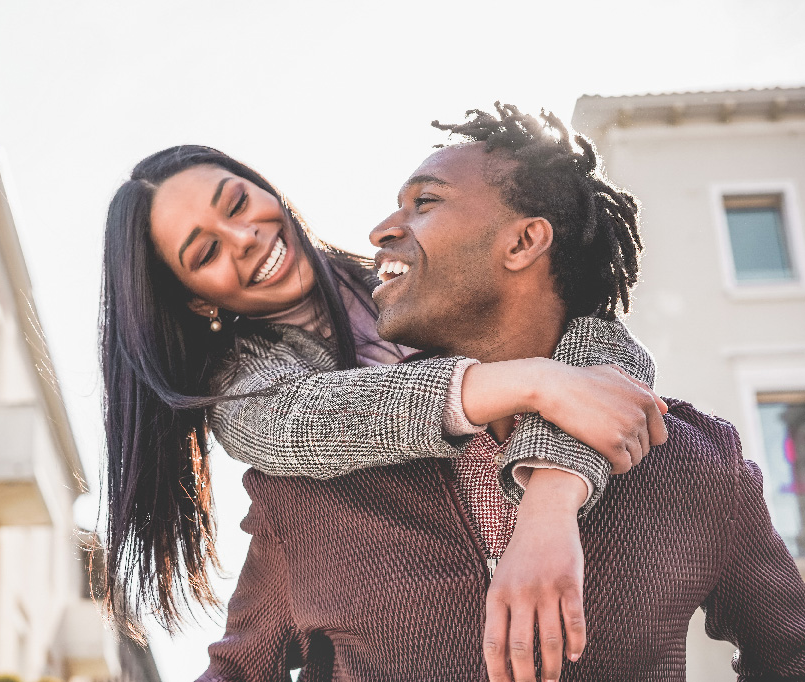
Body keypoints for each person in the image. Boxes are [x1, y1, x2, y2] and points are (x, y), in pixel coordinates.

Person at [196, 105, 805, 682]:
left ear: (522, 242)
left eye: (424, 203)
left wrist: (555, 489)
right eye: (202, 253)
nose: (381, 230)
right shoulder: (303, 491)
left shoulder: (693, 462)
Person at [100, 143, 666, 656]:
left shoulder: (417, 272)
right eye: (206, 254)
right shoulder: (243, 396)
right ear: (198, 302)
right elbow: (313, 419)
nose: (245, 236)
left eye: (238, 203)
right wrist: (535, 382)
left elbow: (602, 353)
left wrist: (552, 497)